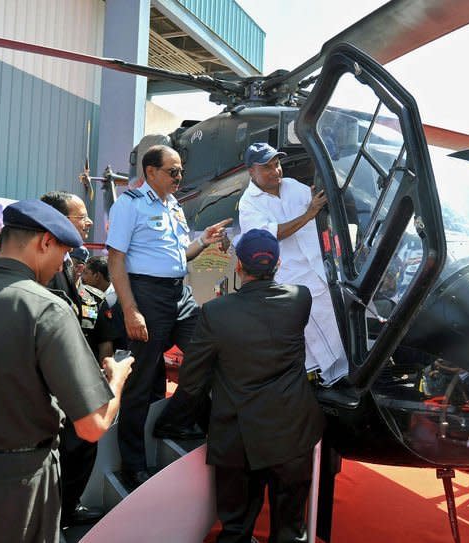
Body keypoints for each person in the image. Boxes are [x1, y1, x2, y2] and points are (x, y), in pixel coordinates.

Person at [0, 199, 133, 543]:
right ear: (46, 242)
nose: (65, 263)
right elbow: (93, 425)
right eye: (64, 251)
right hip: (16, 485)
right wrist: (115, 380)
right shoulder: (47, 309)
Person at [175, 229, 325, 543]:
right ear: (279, 263)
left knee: (235, 528)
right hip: (292, 432)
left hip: (237, 437)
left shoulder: (216, 312)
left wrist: (178, 421)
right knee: (290, 530)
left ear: (238, 266)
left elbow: (192, 379)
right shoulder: (300, 299)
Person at [106, 144, 229, 488]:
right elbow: (116, 260)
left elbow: (179, 256)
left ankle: (174, 421)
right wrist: (130, 309)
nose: (179, 177)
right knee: (141, 383)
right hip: (146, 295)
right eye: (173, 171)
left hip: (180, 294)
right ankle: (134, 464)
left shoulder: (174, 205)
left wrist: (203, 240)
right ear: (151, 173)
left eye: (181, 171)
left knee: (208, 355)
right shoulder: (129, 205)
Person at [40, 191, 121, 525]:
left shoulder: (72, 267)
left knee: (81, 450)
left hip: (75, 380)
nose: (88, 222)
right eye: (81, 216)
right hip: (52, 383)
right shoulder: (44, 271)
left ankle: (66, 510)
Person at [238, 142, 348, 385]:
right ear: (251, 172)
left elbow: (317, 203)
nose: (275, 171)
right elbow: (271, 235)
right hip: (294, 278)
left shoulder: (293, 187)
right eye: (267, 167)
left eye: (276, 164)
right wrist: (309, 213)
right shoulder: (248, 204)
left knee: (341, 330)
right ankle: (331, 384)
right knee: (318, 341)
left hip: (322, 269)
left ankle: (346, 377)